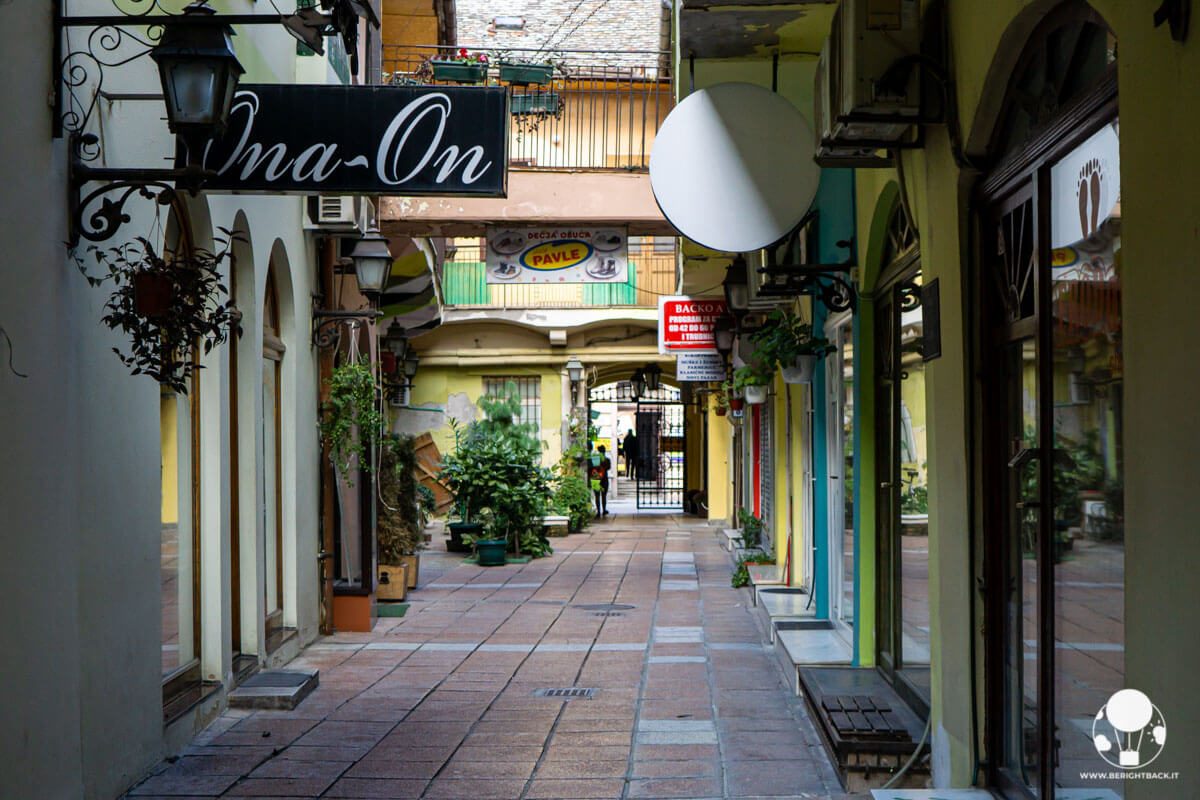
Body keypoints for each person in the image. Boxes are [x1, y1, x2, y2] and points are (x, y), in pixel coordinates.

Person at [589, 444, 611, 517]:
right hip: (604, 478)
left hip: (596, 478)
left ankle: (598, 512)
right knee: (604, 496)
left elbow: (591, 468)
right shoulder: (607, 460)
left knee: (597, 496)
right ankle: (604, 510)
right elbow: (608, 468)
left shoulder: (595, 459)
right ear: (604, 451)